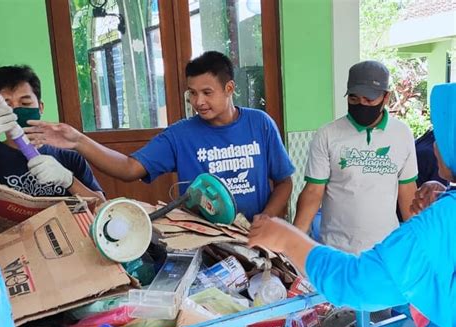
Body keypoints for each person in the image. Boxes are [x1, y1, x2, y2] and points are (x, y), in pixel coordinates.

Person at [248, 83, 456, 327]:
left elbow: (357, 284)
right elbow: (312, 192)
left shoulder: (433, 225)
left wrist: (287, 238)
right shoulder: (329, 135)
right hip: (350, 244)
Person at [25, 51, 295, 220]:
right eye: (192, 93)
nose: (198, 101)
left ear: (229, 88)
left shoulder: (260, 124)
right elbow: (129, 168)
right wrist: (78, 140)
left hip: (258, 236)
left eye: (207, 92)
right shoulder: (181, 134)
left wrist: (267, 218)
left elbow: (284, 182)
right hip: (206, 242)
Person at [294, 60, 418, 254]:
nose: (361, 105)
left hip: (385, 253)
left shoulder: (402, 134)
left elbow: (408, 192)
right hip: (337, 252)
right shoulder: (328, 134)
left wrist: (418, 245)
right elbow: (313, 193)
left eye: (369, 100)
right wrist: (293, 242)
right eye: (354, 99)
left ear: (386, 97)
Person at [0, 65, 104, 200]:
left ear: (40, 107)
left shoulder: (70, 157)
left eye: (25, 103)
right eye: (6, 105)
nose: (15, 111)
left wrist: (69, 180)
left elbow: (102, 207)